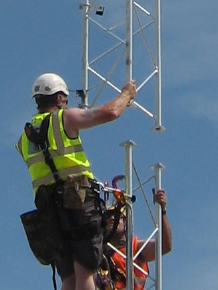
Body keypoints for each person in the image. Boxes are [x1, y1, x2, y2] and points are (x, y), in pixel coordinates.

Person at [16, 72, 137, 290]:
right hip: (78, 202)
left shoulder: (23, 139)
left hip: (50, 211)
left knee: (68, 277)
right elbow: (111, 112)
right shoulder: (64, 119)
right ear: (59, 98)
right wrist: (126, 94)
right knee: (85, 270)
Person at [96, 189, 172, 290]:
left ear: (126, 222)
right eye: (109, 216)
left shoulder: (134, 249)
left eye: (117, 215)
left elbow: (165, 246)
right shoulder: (98, 251)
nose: (112, 218)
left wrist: (162, 211)